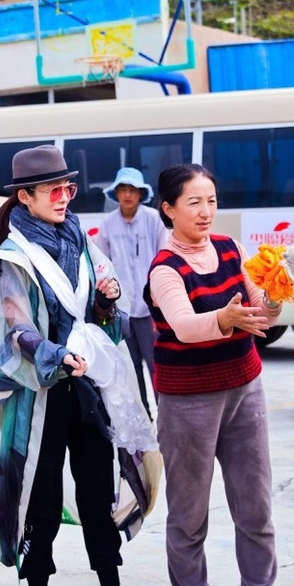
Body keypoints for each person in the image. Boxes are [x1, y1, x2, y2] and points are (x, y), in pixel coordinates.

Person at [0, 145, 158, 586]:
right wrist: (54, 354)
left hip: (86, 388)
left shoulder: (80, 242)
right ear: (25, 197)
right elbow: (13, 328)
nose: (65, 197)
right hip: (38, 395)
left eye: (69, 188)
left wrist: (107, 299)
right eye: (53, 190)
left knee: (97, 492)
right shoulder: (14, 257)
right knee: (39, 500)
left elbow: (101, 318)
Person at [146, 164, 284, 586]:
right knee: (189, 511)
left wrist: (275, 294)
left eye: (211, 200)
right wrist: (224, 318)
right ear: (168, 209)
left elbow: (262, 310)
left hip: (245, 389)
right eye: (194, 203)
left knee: (255, 502)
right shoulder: (165, 268)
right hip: (187, 399)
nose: (206, 211)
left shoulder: (230, 249)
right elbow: (184, 326)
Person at [94, 167, 168, 409]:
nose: (127, 195)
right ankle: (144, 418)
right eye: (122, 190)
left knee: (157, 365)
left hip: (151, 308)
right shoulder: (108, 224)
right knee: (130, 367)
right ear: (116, 193)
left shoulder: (154, 219)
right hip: (121, 309)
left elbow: (164, 259)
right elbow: (101, 265)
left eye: (132, 190)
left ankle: (165, 416)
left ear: (141, 193)